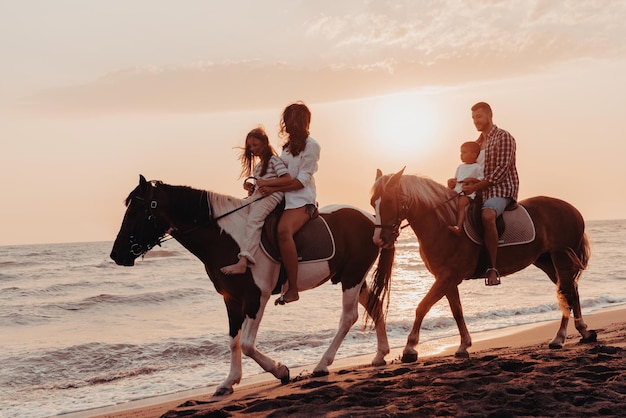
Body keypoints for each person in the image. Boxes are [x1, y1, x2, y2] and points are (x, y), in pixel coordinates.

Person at [257, 102, 321, 304]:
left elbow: (301, 180)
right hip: (283, 198)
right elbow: (280, 174)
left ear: (304, 123)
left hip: (302, 200)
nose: (291, 126)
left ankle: (293, 288)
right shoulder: (285, 148)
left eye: (295, 122)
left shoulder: (312, 146)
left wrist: (272, 187)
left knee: (283, 231)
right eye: (288, 122)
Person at [460, 102, 519, 286]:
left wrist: (476, 187)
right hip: (479, 191)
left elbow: (501, 171)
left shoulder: (504, 137)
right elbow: (471, 170)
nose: (476, 121)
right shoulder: (476, 144)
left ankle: (492, 268)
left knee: (487, 215)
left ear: (489, 115)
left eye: (479, 116)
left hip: (501, 189)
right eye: (473, 118)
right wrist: (458, 182)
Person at [220, 127, 292, 275]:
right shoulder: (259, 166)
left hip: (273, 196)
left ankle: (243, 261)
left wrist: (265, 184)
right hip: (259, 196)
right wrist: (251, 189)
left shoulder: (274, 160)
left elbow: (287, 179)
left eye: (255, 145)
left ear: (265, 143)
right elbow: (261, 184)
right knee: (237, 212)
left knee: (254, 220)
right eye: (250, 146)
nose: (252, 149)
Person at [447, 141, 484, 236]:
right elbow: (456, 179)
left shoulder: (477, 167)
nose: (461, 155)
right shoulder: (460, 167)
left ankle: (458, 226)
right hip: (456, 192)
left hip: (468, 194)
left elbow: (481, 180)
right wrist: (452, 182)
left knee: (461, 204)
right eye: (461, 153)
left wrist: (472, 179)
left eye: (464, 152)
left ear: (473, 155)